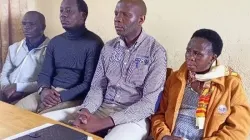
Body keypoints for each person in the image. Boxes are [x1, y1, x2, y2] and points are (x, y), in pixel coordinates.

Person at [43, 0, 167, 139]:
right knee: (44, 122)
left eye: (126, 15)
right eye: (116, 13)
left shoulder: (156, 52)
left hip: (132, 117)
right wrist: (85, 112)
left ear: (141, 19)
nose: (118, 19)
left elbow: (148, 104)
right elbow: (97, 88)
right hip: (101, 108)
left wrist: (102, 123)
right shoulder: (109, 47)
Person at [151, 29, 250, 140]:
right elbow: (159, 114)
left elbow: (239, 129)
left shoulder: (230, 84)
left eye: (197, 54)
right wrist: (164, 136)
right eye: (188, 51)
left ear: (212, 58)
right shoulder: (176, 79)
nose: (190, 57)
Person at [15, 0, 103, 114]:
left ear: (83, 15)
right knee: (14, 111)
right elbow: (45, 73)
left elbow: (89, 84)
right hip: (50, 91)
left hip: (74, 97)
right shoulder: (55, 42)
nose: (63, 14)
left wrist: (60, 97)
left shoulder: (94, 43)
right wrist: (44, 90)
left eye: (69, 11)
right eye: (61, 11)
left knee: (41, 119)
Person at [0, 11, 49, 103]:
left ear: (43, 27)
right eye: (24, 23)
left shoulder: (51, 50)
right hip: (6, 90)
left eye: (32, 24)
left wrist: (18, 87)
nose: (26, 27)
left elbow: (46, 81)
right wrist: (6, 88)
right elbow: (4, 73)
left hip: (28, 93)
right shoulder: (14, 47)